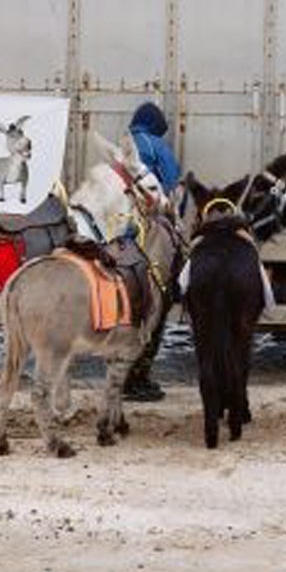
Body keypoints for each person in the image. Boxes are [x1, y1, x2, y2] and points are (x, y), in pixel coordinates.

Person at [122, 101, 180, 402]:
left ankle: (118, 373)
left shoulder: (124, 145)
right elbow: (170, 184)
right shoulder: (157, 145)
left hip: (120, 233)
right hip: (152, 235)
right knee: (157, 303)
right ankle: (138, 378)